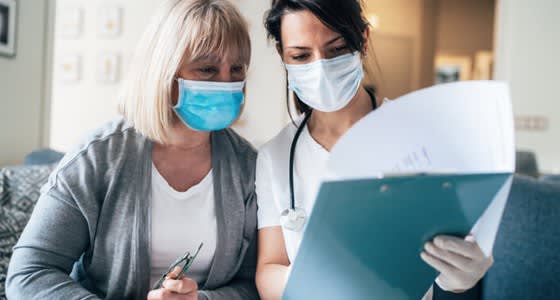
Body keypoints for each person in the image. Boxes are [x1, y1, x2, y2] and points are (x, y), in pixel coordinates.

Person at [6, 1, 259, 299]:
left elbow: (253, 282)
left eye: (237, 69)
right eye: (207, 69)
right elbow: (29, 275)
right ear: (164, 70)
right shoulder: (97, 158)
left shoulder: (249, 166)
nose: (226, 83)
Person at [255, 0, 493, 299]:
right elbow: (269, 269)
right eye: (301, 55)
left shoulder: (422, 137)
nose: (320, 68)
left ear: (363, 41)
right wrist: (315, 278)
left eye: (337, 49)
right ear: (283, 56)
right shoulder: (275, 155)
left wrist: (460, 273)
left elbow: (450, 253)